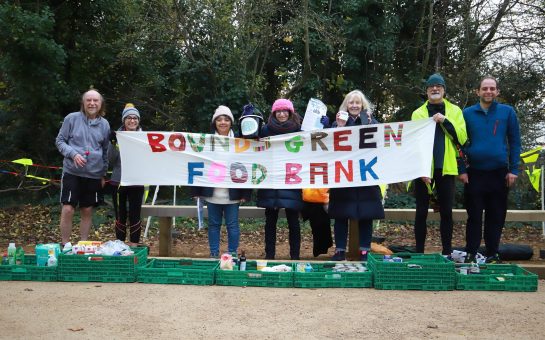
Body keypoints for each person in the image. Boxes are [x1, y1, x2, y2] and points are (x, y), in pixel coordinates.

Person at [459, 76, 521, 263]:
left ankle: (492, 253)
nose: (488, 92)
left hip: (499, 173)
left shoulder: (507, 112)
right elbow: (459, 144)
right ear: (477, 91)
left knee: (496, 216)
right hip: (474, 174)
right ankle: (471, 253)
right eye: (485, 88)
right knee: (474, 216)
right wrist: (462, 169)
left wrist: (514, 170)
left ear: (497, 92)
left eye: (492, 88)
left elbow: (515, 142)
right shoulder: (467, 113)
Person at [411, 73, 467, 256]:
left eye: (438, 86)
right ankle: (419, 252)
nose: (435, 89)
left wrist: (445, 120)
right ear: (426, 91)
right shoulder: (418, 113)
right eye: (431, 87)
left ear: (444, 90)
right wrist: (420, 169)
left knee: (446, 213)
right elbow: (413, 143)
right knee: (420, 213)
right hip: (423, 171)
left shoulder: (455, 111)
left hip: (446, 169)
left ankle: (447, 252)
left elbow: (462, 138)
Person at [328, 90, 385, 261]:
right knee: (340, 214)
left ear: (362, 105)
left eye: (357, 103)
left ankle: (364, 250)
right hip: (344, 176)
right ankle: (339, 250)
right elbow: (329, 146)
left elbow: (380, 143)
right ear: (346, 105)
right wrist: (339, 127)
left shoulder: (372, 122)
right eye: (351, 102)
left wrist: (368, 123)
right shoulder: (336, 124)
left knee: (366, 214)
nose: (354, 106)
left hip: (365, 175)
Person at [192, 106, 251, 257]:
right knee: (213, 225)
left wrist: (245, 192)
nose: (223, 122)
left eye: (226, 119)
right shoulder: (206, 142)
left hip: (232, 194)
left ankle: (232, 254)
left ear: (231, 122)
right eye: (219, 119)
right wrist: (196, 191)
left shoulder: (240, 141)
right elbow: (198, 164)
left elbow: (248, 166)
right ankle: (213, 254)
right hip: (212, 194)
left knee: (232, 225)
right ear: (214, 123)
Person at [55, 89, 110, 245]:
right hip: (72, 172)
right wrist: (73, 154)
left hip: (94, 174)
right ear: (83, 103)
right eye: (88, 100)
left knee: (87, 210)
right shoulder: (71, 119)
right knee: (68, 208)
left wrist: (103, 174)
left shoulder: (105, 124)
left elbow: (105, 150)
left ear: (100, 104)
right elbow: (60, 141)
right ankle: (65, 245)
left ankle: (83, 245)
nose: (92, 103)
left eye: (95, 101)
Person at [257, 99, 304, 260]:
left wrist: (321, 125)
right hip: (271, 182)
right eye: (279, 111)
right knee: (270, 222)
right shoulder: (265, 130)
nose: (282, 114)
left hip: (292, 181)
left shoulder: (300, 129)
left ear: (290, 113)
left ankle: (295, 257)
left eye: (285, 111)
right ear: (274, 113)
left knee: (294, 222)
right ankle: (269, 256)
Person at [108, 103, 146, 245]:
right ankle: (120, 244)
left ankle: (134, 244)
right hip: (118, 181)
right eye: (129, 118)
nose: (132, 120)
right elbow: (110, 160)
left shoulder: (144, 137)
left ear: (138, 120)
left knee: (135, 214)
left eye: (135, 118)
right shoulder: (116, 136)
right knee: (120, 214)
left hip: (137, 181)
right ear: (124, 120)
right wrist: (112, 143)